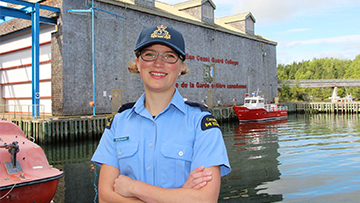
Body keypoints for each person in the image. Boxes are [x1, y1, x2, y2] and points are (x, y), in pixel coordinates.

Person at [91, 24, 231, 202]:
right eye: (149, 54)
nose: (158, 63)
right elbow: (105, 197)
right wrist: (179, 195)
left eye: (169, 56)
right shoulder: (119, 123)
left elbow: (204, 200)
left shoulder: (201, 124)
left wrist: (134, 187)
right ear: (137, 63)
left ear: (181, 66)